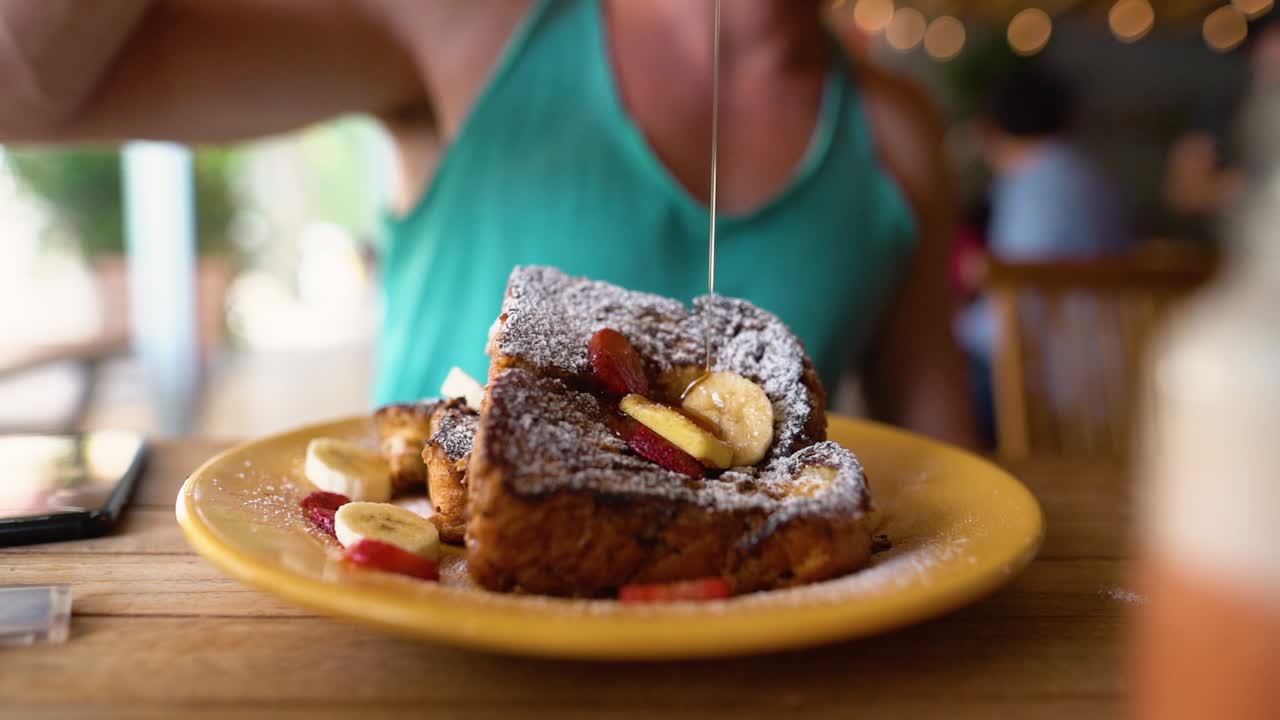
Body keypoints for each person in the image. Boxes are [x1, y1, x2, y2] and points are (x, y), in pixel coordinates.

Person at [0, 0, 976, 446]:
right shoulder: (471, 24)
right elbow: (26, 91)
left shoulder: (896, 134)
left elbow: (948, 477)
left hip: (758, 670)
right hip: (431, 651)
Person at [954, 65, 1132, 441]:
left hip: (1058, 387)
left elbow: (1012, 306)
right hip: (1119, 370)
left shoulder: (1031, 185)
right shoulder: (1094, 177)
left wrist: (948, 330)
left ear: (990, 130)